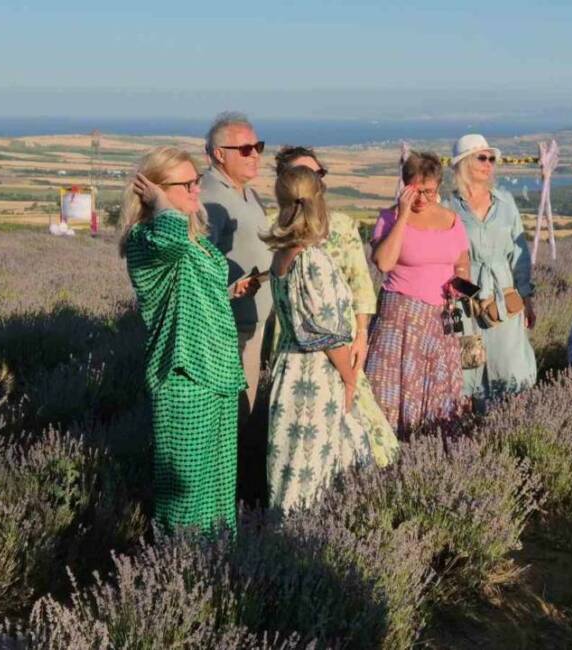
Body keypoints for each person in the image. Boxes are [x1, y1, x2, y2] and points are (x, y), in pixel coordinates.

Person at [119, 146, 246, 531]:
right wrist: (159, 205)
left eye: (198, 181)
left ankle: (220, 570)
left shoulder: (195, 239)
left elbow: (190, 285)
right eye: (185, 184)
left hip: (220, 373)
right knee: (187, 497)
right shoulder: (147, 239)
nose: (196, 190)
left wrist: (226, 292)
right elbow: (170, 245)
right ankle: (179, 573)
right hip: (184, 376)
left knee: (220, 492)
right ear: (152, 191)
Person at [262, 166, 397, 512]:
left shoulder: (282, 255)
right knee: (315, 470)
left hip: (288, 369)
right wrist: (350, 378)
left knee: (292, 469)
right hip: (315, 376)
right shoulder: (311, 259)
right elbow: (326, 335)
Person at [366, 152, 471, 438]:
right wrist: (401, 216)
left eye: (429, 191)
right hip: (400, 320)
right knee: (389, 396)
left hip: (440, 322)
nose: (422, 198)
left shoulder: (452, 220)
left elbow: (462, 263)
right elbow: (384, 263)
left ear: (438, 187)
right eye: (416, 190)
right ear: (404, 186)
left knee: (439, 400)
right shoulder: (389, 218)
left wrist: (460, 283)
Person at [447, 134, 537, 405]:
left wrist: (527, 297)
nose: (489, 164)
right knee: (468, 363)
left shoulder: (506, 202)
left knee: (509, 360)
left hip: (503, 293)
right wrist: (471, 295)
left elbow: (519, 256)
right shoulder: (448, 207)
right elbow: (444, 259)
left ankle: (512, 423)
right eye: (482, 158)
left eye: (491, 158)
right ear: (463, 164)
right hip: (464, 297)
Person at [200, 112, 270, 420]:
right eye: (245, 149)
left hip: (252, 322)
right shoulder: (210, 197)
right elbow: (201, 261)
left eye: (258, 146)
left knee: (246, 409)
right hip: (231, 327)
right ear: (219, 154)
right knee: (233, 416)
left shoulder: (247, 193)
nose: (255, 154)